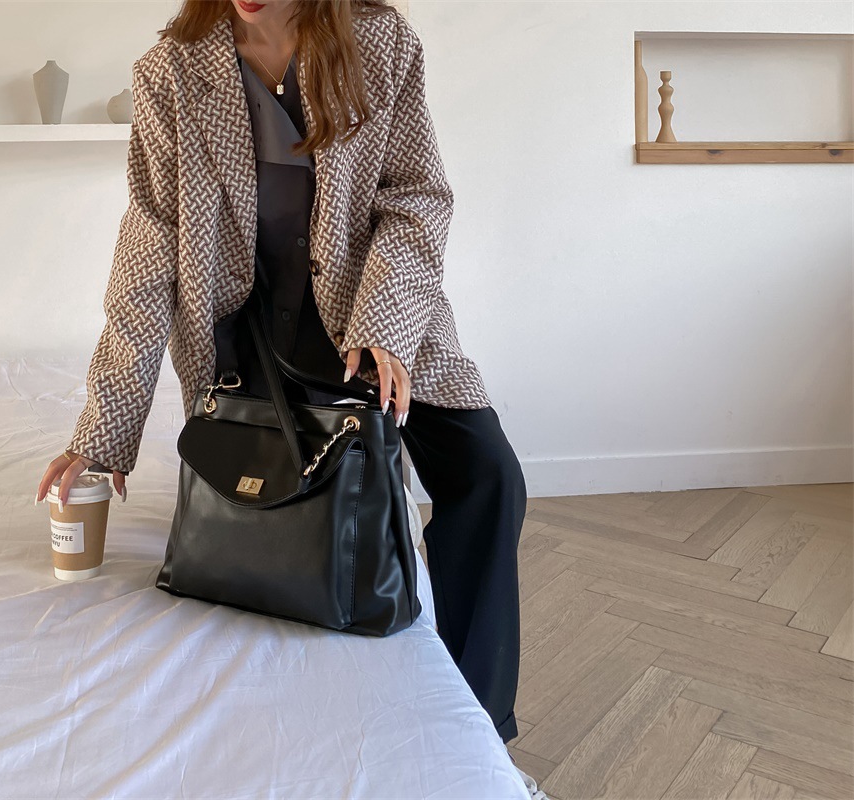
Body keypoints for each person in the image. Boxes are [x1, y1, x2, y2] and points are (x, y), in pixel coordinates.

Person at [35, 0, 532, 768]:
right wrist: (104, 432)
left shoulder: (379, 41)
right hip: (252, 334)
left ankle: (479, 735)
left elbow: (415, 197)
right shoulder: (171, 71)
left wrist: (383, 325)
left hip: (377, 319)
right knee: (276, 493)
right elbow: (148, 250)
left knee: (488, 478)